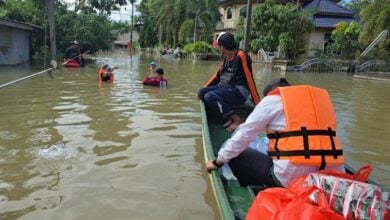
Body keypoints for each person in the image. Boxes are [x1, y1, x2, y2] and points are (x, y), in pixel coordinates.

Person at [206, 78, 345, 187]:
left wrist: (218, 162)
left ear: (271, 93)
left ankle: (254, 189)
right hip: (330, 179)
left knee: (236, 154)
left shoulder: (272, 100)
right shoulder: (319, 102)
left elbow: (244, 134)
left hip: (291, 181)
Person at [198, 32, 260, 132]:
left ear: (222, 47)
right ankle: (226, 117)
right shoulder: (227, 58)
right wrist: (204, 88)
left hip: (239, 91)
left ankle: (237, 119)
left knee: (209, 96)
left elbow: (249, 79)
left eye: (218, 46)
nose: (218, 48)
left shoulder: (241, 56)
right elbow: (217, 76)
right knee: (202, 93)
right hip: (226, 88)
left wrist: (257, 102)